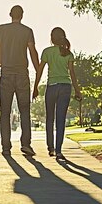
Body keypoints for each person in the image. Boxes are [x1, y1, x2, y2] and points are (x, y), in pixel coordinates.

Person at [0, 5, 39, 156]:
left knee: (5, 112)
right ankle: (26, 144)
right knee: (25, 111)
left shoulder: (1, 29)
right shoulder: (27, 31)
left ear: (10, 14)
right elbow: (32, 51)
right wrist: (38, 69)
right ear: (22, 15)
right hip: (22, 75)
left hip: (6, 74)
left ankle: (6, 146)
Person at [32, 27, 81, 161]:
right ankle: (59, 151)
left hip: (52, 87)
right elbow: (72, 74)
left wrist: (35, 87)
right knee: (61, 120)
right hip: (65, 87)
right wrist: (77, 90)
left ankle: (51, 148)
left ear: (52, 38)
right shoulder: (68, 54)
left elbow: (40, 71)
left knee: (50, 118)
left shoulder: (47, 52)